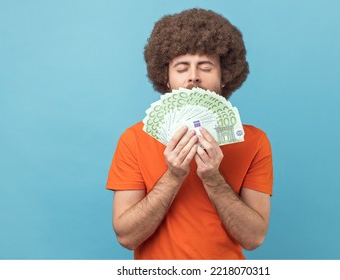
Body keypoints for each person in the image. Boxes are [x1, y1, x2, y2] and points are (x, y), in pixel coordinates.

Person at [106, 8, 273, 260]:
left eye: (205, 67)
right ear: (166, 77)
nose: (193, 77)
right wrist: (173, 176)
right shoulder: (133, 140)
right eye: (182, 67)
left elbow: (254, 238)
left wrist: (213, 178)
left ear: (225, 76)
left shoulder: (254, 141)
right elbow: (127, 237)